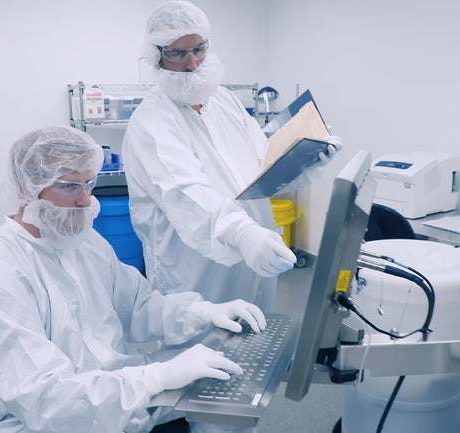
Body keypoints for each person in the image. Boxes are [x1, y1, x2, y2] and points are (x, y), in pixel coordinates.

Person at [0, 125, 268, 433]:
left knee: (217, 393)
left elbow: (140, 305)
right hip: (34, 422)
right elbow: (46, 400)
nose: (85, 200)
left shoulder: (84, 243)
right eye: (69, 186)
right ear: (27, 189)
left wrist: (205, 313)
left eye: (88, 184)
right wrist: (154, 379)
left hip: (113, 398)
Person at [122, 0, 343, 313]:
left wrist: (305, 159)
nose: (192, 64)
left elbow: (262, 162)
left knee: (256, 336)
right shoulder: (153, 122)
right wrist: (242, 232)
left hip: (252, 249)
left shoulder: (223, 100)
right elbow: (186, 193)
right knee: (201, 347)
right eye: (178, 53)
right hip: (195, 268)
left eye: (198, 49)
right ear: (156, 57)